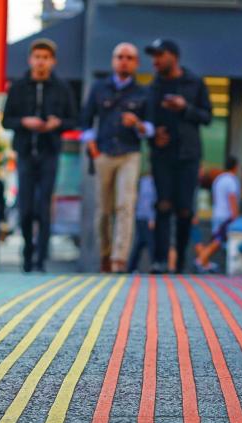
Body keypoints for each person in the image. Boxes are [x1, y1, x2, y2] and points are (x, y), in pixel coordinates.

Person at [2, 39, 77, 273]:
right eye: (37, 57)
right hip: (25, 152)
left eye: (45, 58)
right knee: (25, 208)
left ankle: (41, 257)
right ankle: (27, 249)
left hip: (49, 152)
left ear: (52, 61)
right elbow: (6, 120)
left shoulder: (62, 88)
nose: (41, 62)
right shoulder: (18, 87)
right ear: (30, 60)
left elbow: (74, 119)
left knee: (44, 207)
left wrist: (57, 123)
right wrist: (24, 122)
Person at [81, 43, 153, 273]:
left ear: (136, 63)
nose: (124, 61)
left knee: (125, 205)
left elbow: (150, 128)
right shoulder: (99, 87)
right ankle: (105, 254)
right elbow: (85, 120)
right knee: (104, 209)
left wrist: (138, 124)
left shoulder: (143, 92)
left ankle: (119, 259)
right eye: (120, 57)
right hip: (103, 153)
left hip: (130, 154)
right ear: (113, 61)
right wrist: (92, 146)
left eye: (129, 57)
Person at [145, 39, 212, 273]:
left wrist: (185, 107)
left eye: (159, 55)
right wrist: (153, 137)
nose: (155, 60)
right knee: (162, 206)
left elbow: (207, 116)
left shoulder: (194, 82)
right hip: (162, 155)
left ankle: (180, 261)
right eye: (153, 56)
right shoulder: (153, 87)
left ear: (174, 56)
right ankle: (160, 260)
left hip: (188, 154)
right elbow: (146, 123)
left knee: (184, 209)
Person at [195, 156, 240, 273]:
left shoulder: (218, 179)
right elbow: (232, 199)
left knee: (217, 239)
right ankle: (201, 259)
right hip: (226, 215)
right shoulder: (231, 180)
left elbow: (214, 198)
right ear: (236, 167)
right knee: (218, 241)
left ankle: (204, 261)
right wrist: (235, 216)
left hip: (217, 213)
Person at [128, 172, 157, 273]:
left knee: (140, 243)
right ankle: (154, 265)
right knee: (149, 243)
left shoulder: (143, 181)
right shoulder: (146, 182)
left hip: (140, 216)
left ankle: (131, 267)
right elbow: (147, 201)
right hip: (144, 218)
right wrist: (151, 218)